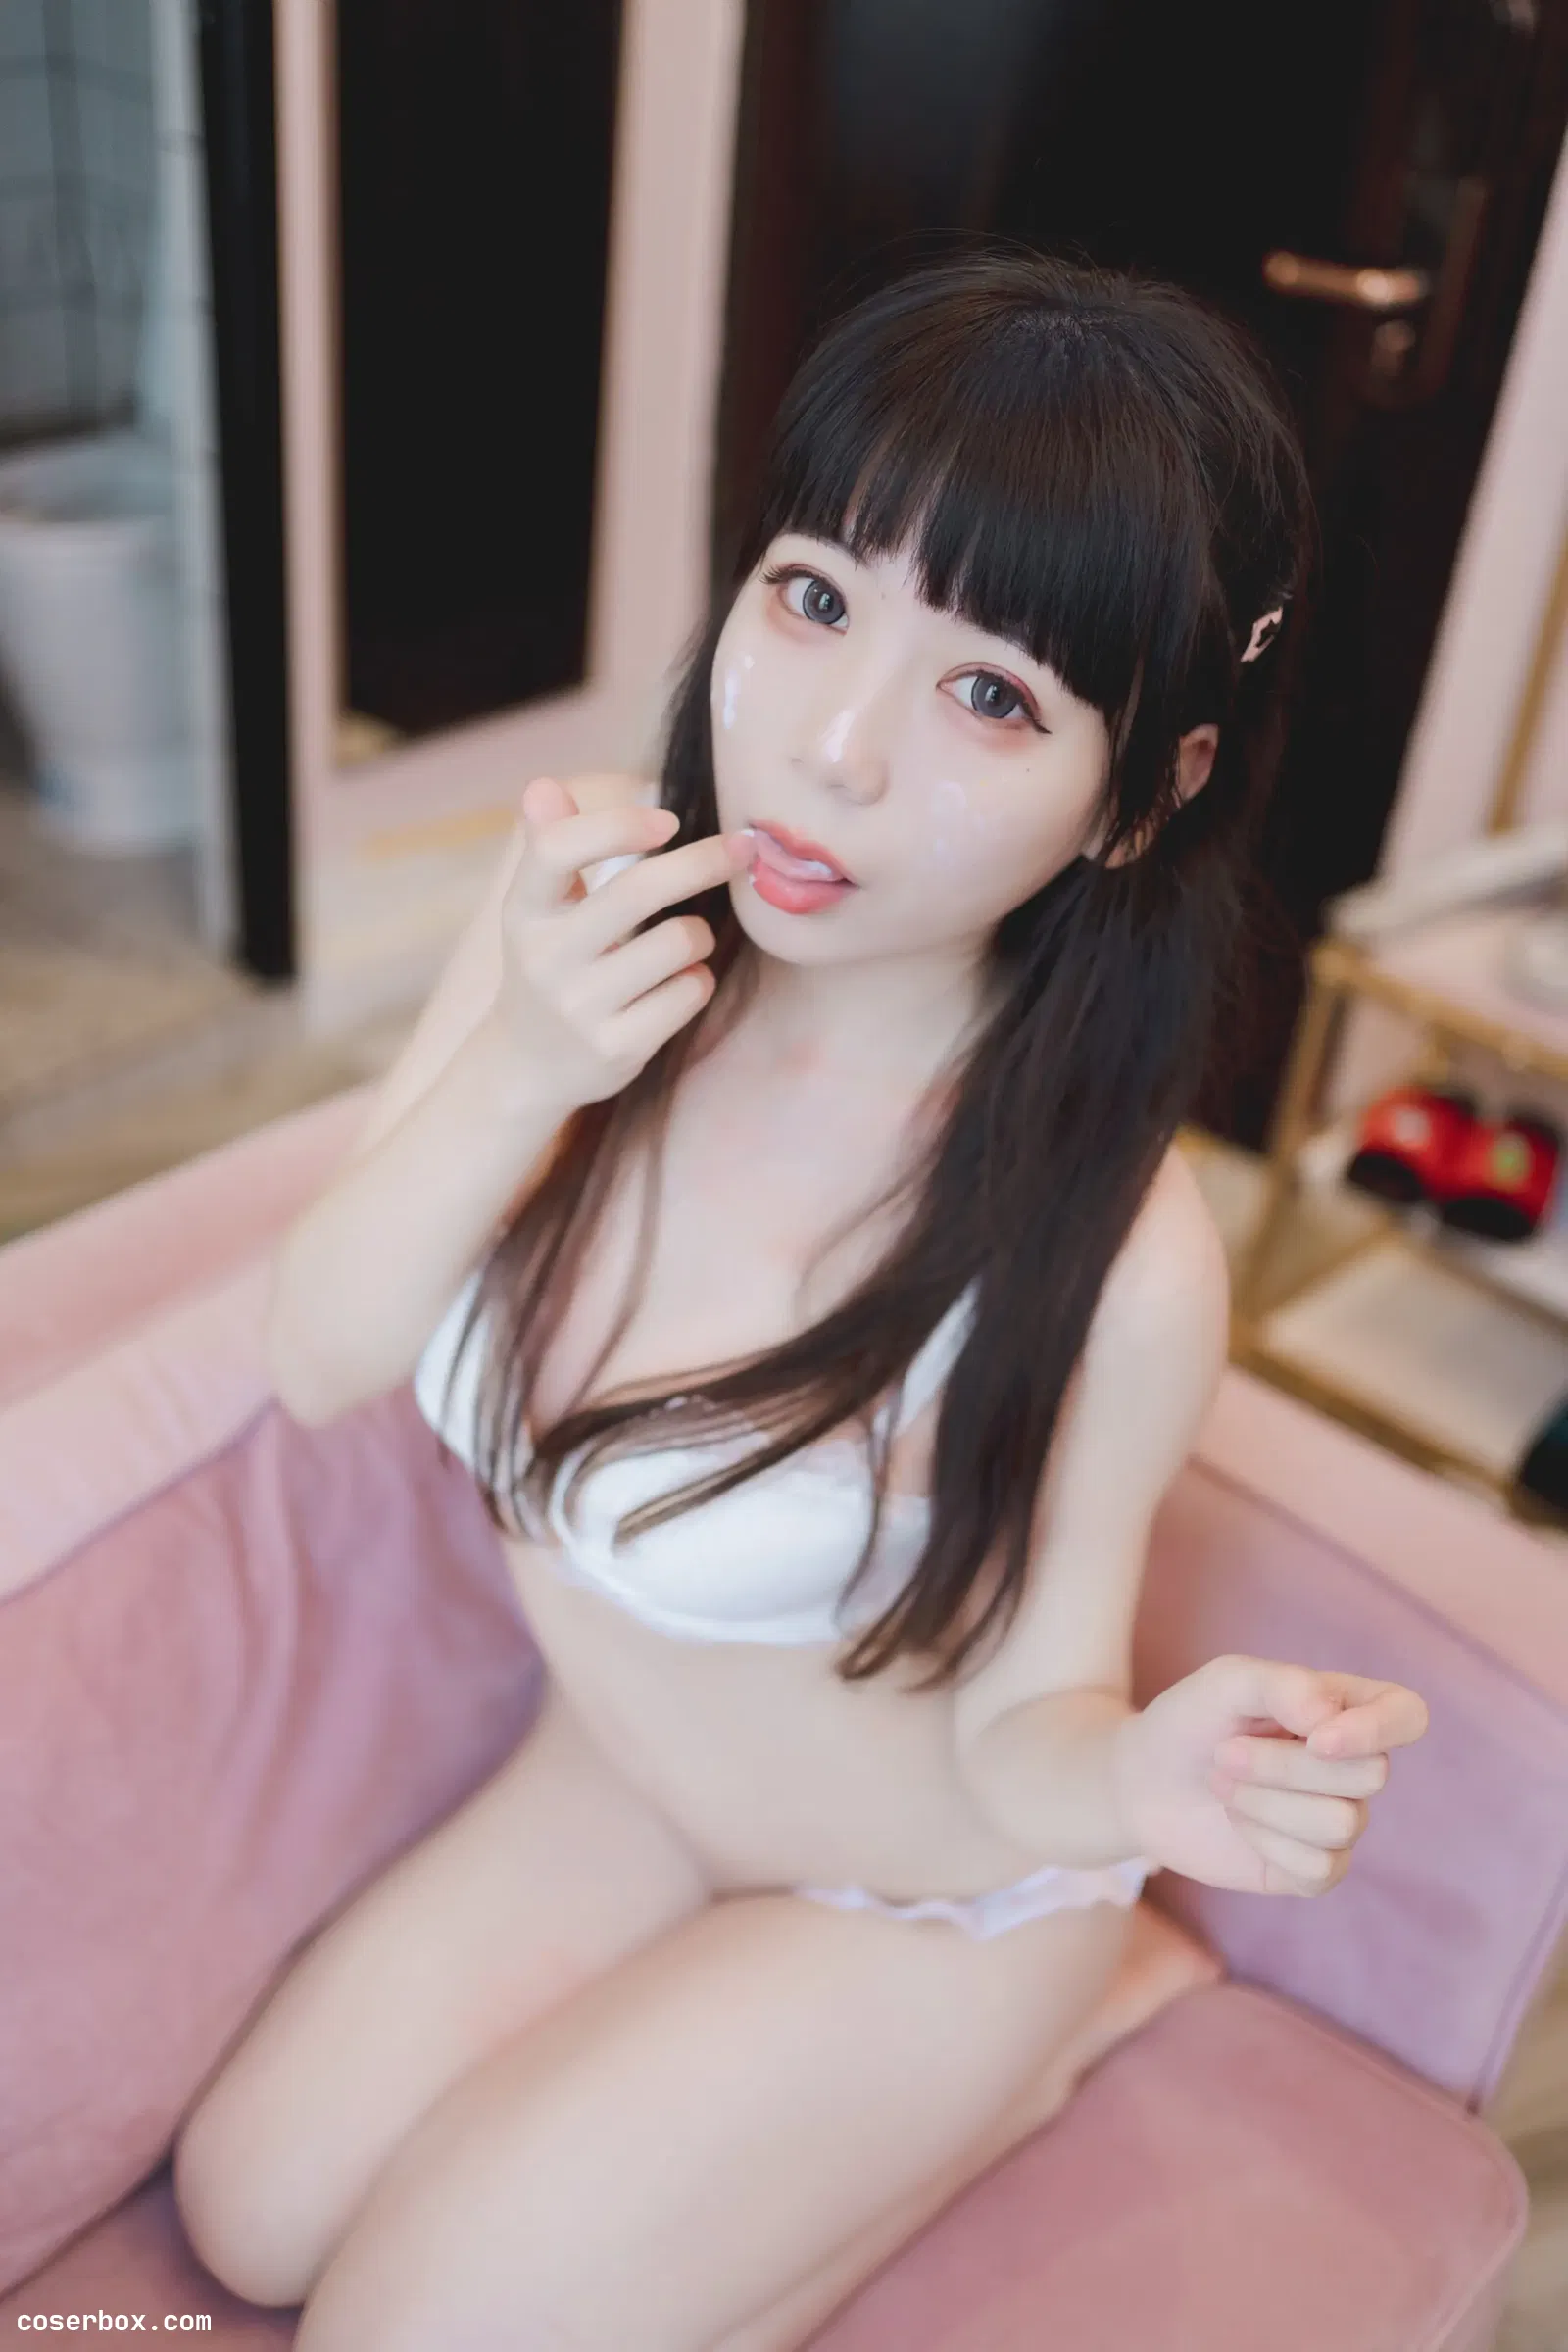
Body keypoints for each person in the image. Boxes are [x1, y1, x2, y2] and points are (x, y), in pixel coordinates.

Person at [172, 250, 1428, 2352]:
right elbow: (314, 1356)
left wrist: (1147, 1789)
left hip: (920, 1893)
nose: (829, 751)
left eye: (990, 696)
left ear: (1141, 794)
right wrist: (525, 1066)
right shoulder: (587, 922)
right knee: (247, 2215)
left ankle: (1040, 2040)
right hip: (615, 1772)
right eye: (815, 596)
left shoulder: (1106, 1251)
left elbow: (1023, 1725)